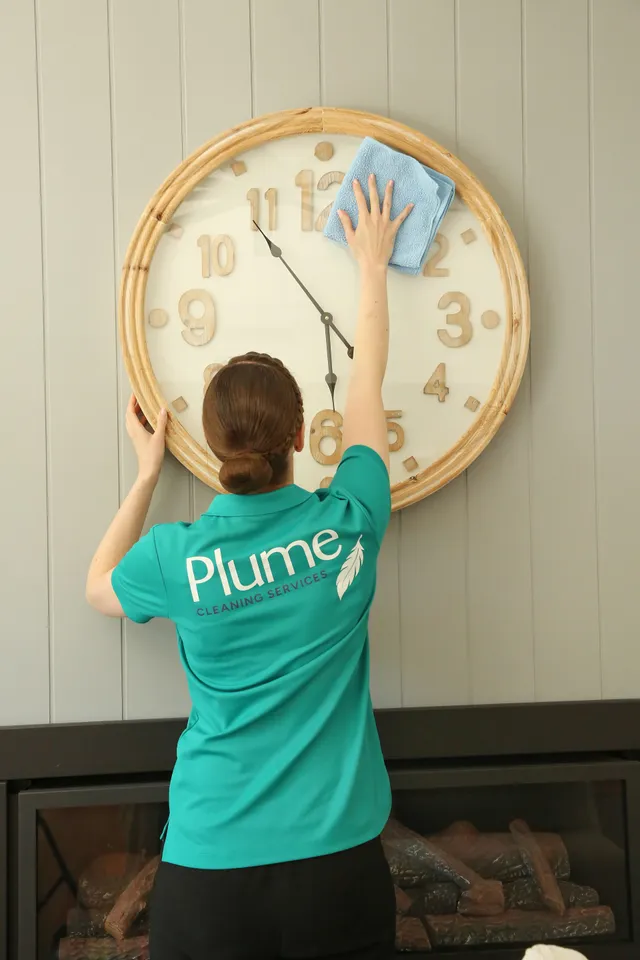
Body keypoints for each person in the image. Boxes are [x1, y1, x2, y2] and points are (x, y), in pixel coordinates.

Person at [86, 176, 413, 960]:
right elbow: (365, 380)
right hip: (338, 867)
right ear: (300, 437)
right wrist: (372, 266)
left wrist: (146, 475)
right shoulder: (350, 520)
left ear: (213, 447)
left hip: (211, 869)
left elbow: (98, 586)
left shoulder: (176, 556)